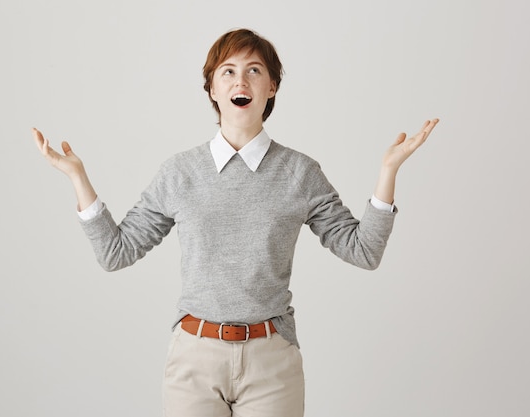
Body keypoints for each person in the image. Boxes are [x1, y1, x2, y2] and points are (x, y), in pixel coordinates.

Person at [33, 28, 438, 417]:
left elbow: (363, 252)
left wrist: (388, 171)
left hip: (271, 359)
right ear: (212, 89)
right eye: (227, 71)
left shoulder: (300, 172)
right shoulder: (180, 172)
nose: (239, 80)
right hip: (194, 357)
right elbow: (115, 253)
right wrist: (77, 177)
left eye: (254, 70)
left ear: (271, 88)